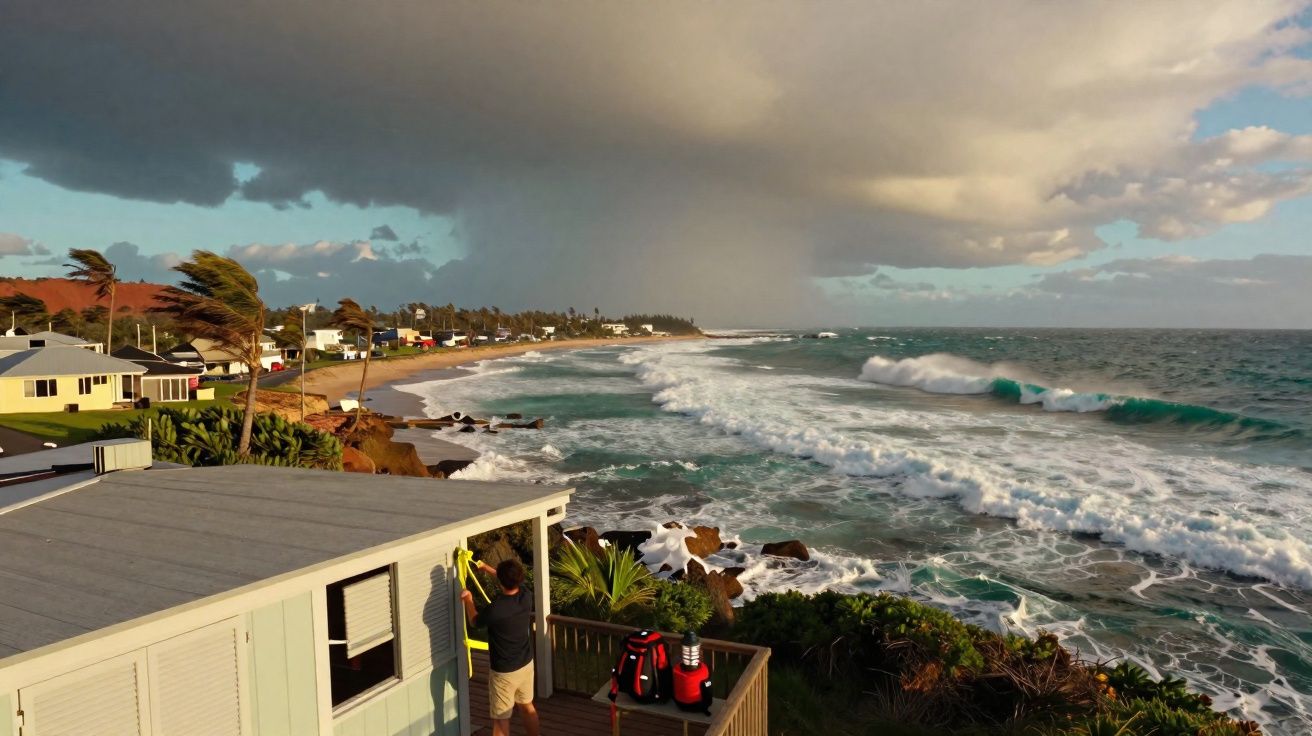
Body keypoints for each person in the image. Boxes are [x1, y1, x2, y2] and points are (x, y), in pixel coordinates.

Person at [461, 558, 540, 736]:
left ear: (502, 581)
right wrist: (487, 568)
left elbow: (474, 621)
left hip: (504, 673)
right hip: (526, 664)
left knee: (501, 719)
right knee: (527, 707)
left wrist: (468, 599)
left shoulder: (496, 608)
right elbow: (508, 579)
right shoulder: (526, 595)